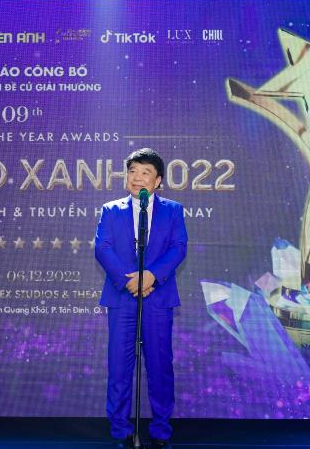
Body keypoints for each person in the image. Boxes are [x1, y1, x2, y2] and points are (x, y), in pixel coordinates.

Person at [94, 148, 188, 449]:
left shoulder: (173, 210)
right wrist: (129, 282)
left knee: (160, 366)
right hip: (122, 298)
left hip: (157, 298)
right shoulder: (111, 210)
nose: (137, 177)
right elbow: (102, 248)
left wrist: (151, 276)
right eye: (133, 171)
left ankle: (160, 431)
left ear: (158, 181)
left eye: (145, 172)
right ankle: (120, 431)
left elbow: (178, 247)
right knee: (119, 368)